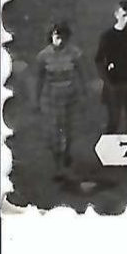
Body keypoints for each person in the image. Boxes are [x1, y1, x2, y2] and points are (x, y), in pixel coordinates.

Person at [33, 22, 86, 182]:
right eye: (57, 37)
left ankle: (67, 153)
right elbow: (39, 79)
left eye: (64, 38)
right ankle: (58, 168)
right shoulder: (43, 56)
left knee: (69, 131)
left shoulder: (74, 53)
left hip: (71, 97)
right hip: (52, 98)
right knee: (55, 134)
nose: (60, 41)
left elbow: (81, 74)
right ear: (51, 36)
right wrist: (36, 100)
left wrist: (84, 92)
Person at [94, 0, 127, 134]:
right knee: (114, 120)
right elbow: (99, 60)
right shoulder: (107, 36)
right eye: (124, 16)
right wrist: (106, 81)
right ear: (116, 15)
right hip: (114, 83)